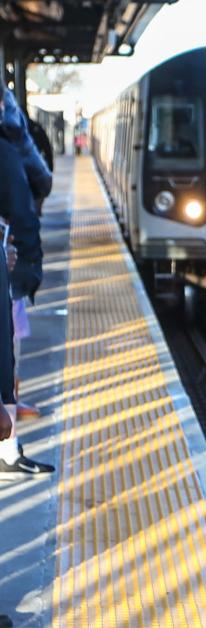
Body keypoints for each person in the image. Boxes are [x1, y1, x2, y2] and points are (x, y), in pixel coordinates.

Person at [0, 85, 52, 475]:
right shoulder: (10, 143)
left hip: (11, 258)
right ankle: (8, 449)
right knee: (6, 352)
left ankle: (9, 447)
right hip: (11, 263)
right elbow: (33, 193)